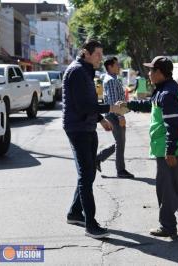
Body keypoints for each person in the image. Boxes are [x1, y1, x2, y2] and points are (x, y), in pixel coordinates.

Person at [124, 56, 178, 237]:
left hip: (172, 150)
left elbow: (173, 126)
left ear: (160, 73)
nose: (148, 74)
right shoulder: (165, 89)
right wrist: (129, 105)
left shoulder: (167, 94)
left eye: (151, 70)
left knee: (166, 190)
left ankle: (167, 226)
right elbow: (151, 105)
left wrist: (169, 151)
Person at [62, 39, 125, 239]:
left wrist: (101, 119)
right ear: (85, 53)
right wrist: (110, 109)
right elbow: (82, 107)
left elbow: (88, 103)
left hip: (86, 125)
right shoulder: (77, 72)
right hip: (78, 128)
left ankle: (74, 213)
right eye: (97, 54)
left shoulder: (85, 70)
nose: (101, 57)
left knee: (88, 173)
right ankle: (91, 224)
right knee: (85, 175)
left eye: (101, 53)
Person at [96, 57, 134, 179]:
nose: (119, 66)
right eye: (117, 65)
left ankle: (98, 158)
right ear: (110, 67)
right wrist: (120, 116)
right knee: (120, 142)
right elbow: (114, 101)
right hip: (114, 115)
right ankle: (120, 170)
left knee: (120, 142)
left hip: (114, 114)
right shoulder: (111, 80)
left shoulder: (112, 79)